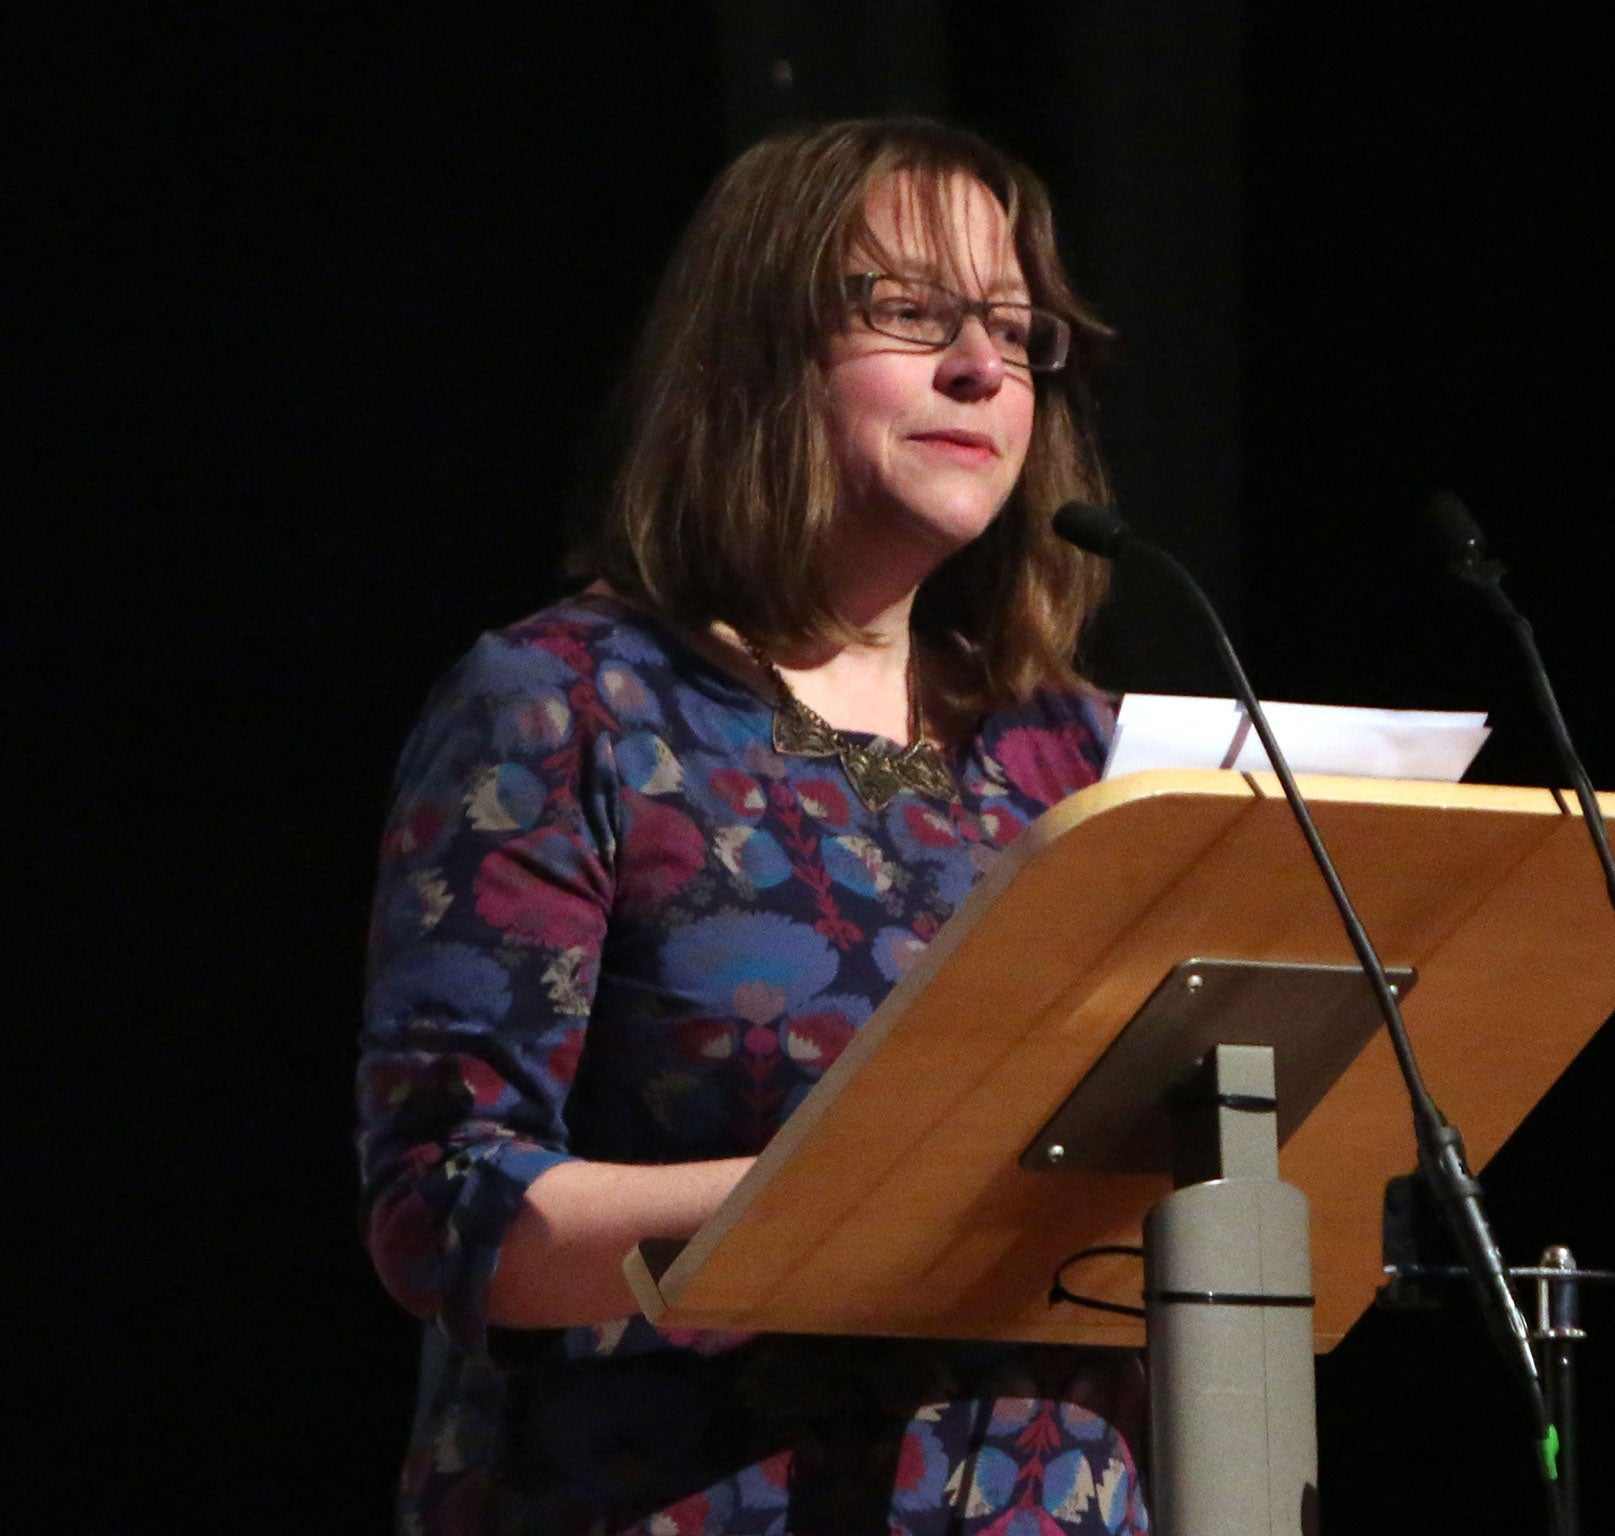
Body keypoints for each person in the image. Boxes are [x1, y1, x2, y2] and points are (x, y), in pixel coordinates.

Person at [357, 116, 1148, 1536]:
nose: (981, 369)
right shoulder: (572, 704)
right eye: (911, 315)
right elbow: (442, 1203)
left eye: (1018, 334)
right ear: (759, 350)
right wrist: (836, 1211)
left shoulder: (1082, 756)